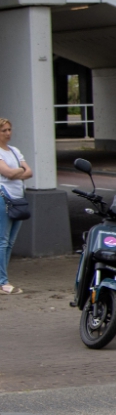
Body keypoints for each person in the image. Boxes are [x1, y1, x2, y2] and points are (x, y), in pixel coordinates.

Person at [0, 118, 31, 295]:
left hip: (18, 199)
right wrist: (19, 171)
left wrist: (17, 172)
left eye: (9, 130)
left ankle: (2, 279)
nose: (8, 133)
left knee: (10, 242)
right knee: (2, 241)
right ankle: (2, 282)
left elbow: (29, 171)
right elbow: (8, 173)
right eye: (3, 130)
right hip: (4, 198)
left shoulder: (14, 151)